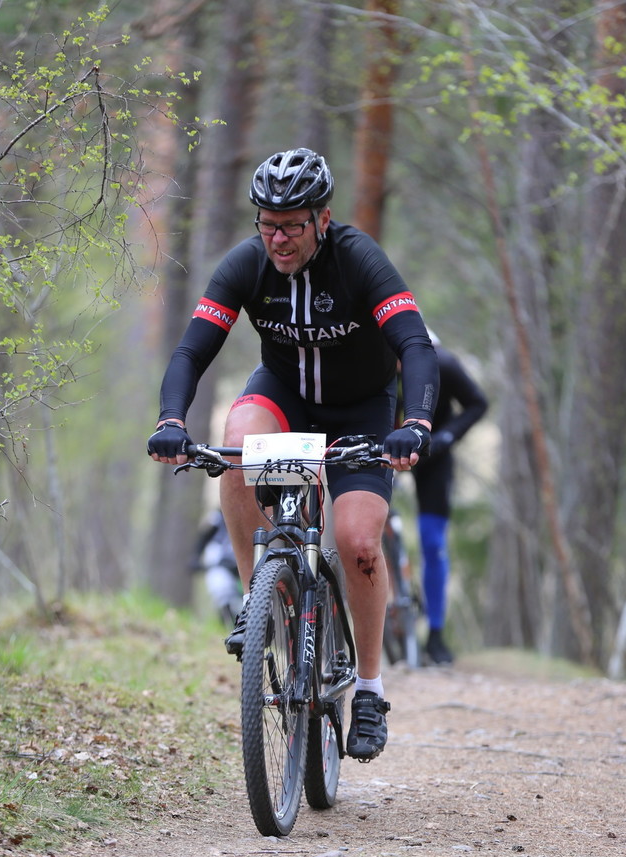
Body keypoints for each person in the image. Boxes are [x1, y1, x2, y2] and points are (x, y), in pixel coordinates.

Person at [147, 147, 439, 761]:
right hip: (285, 396)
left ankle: (368, 689)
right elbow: (191, 351)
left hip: (362, 409)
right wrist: (171, 419)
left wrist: (414, 423)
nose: (278, 239)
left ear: (322, 219)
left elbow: (414, 344)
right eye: (267, 225)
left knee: (358, 541)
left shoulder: (358, 259)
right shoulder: (246, 263)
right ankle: (259, 605)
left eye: (292, 226)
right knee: (236, 447)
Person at [398, 336, 488, 664]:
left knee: (432, 542)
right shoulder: (375, 361)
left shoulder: (443, 363)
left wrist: (446, 437)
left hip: (433, 456)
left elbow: (478, 403)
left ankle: (435, 634)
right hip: (384, 448)